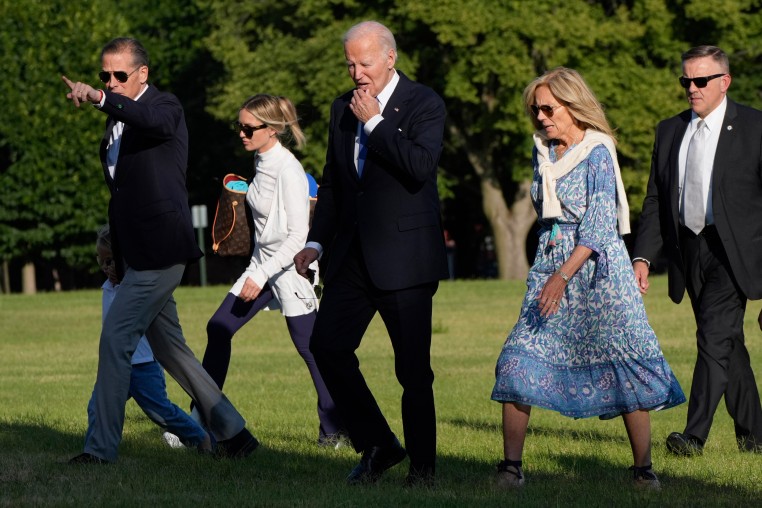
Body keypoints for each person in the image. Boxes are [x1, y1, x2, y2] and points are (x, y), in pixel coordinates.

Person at [62, 37, 258, 464]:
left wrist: (97, 98)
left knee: (115, 339)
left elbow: (147, 120)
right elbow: (123, 198)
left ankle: (99, 450)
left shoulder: (165, 107)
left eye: (119, 76)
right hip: (136, 256)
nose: (111, 83)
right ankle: (235, 434)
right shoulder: (115, 122)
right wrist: (116, 256)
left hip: (162, 251)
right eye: (104, 77)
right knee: (172, 351)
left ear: (142, 73)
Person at [491, 67, 685, 490]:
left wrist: (562, 276)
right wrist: (550, 272)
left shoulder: (597, 151)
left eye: (548, 108)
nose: (541, 117)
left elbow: (598, 227)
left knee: (624, 365)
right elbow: (547, 215)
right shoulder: (542, 152)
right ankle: (510, 468)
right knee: (516, 361)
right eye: (535, 110)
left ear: (573, 106)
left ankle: (643, 470)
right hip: (551, 266)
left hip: (599, 275)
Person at [293, 20, 448, 486]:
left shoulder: (424, 103)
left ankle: (423, 470)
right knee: (327, 346)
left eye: (364, 63)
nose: (357, 73)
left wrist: (375, 122)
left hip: (406, 259)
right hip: (352, 257)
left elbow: (419, 167)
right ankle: (379, 445)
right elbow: (334, 183)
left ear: (389, 59)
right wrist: (316, 241)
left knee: (412, 371)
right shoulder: (341, 108)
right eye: (350, 64)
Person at [633, 45, 762, 456]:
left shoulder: (756, 128)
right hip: (688, 251)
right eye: (685, 80)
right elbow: (656, 198)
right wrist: (643, 256)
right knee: (727, 343)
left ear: (724, 82)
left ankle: (694, 436)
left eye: (701, 80)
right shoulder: (669, 130)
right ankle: (755, 436)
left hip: (736, 252)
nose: (692, 88)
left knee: (712, 335)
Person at [202, 94, 345, 447]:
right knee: (218, 328)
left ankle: (336, 429)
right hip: (262, 265)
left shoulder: (289, 170)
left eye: (248, 128)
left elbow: (298, 236)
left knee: (313, 351)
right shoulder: (260, 160)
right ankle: (201, 420)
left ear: (273, 129)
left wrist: (261, 274)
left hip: (288, 269)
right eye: (239, 126)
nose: (241, 133)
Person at [91, 224, 209, 451]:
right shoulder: (108, 287)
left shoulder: (136, 289)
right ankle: (95, 450)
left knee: (160, 412)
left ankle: (199, 437)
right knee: (98, 406)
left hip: (143, 365)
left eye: (110, 261)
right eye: (100, 261)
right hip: (117, 364)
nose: (105, 268)